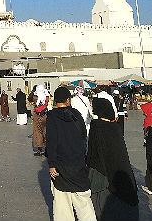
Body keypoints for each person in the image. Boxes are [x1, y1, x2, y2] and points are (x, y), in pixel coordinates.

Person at [46, 86, 96, 221]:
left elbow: (51, 142)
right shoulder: (77, 115)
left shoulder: (52, 117)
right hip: (78, 163)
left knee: (62, 204)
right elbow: (83, 137)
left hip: (61, 165)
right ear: (68, 100)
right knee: (83, 202)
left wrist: (52, 164)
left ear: (55, 100)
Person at [87, 98, 138, 221]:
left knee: (100, 206)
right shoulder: (114, 127)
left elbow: (93, 153)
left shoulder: (96, 126)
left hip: (101, 173)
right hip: (120, 173)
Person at [31, 84, 49, 156]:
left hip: (37, 115)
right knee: (45, 131)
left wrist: (33, 90)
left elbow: (29, 98)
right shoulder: (46, 96)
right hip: (45, 114)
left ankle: (39, 150)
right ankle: (47, 149)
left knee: (37, 132)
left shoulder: (36, 96)